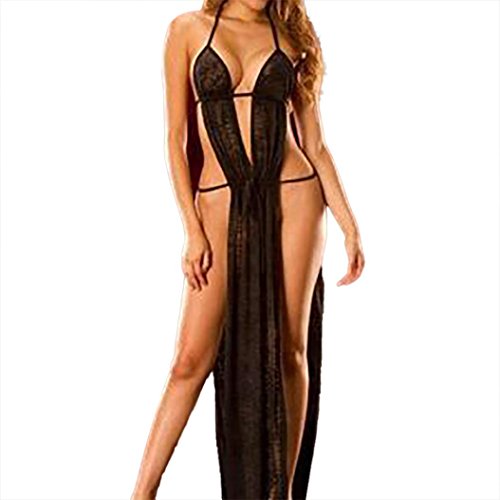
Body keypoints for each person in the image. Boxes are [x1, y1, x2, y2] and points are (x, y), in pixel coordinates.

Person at [132, 0, 364, 498]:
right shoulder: (186, 30)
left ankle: (281, 489)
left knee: (291, 350)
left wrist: (349, 225)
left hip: (295, 197)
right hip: (218, 204)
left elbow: (315, 145)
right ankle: (142, 492)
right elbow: (176, 138)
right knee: (189, 360)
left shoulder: (292, 36)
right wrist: (192, 229)